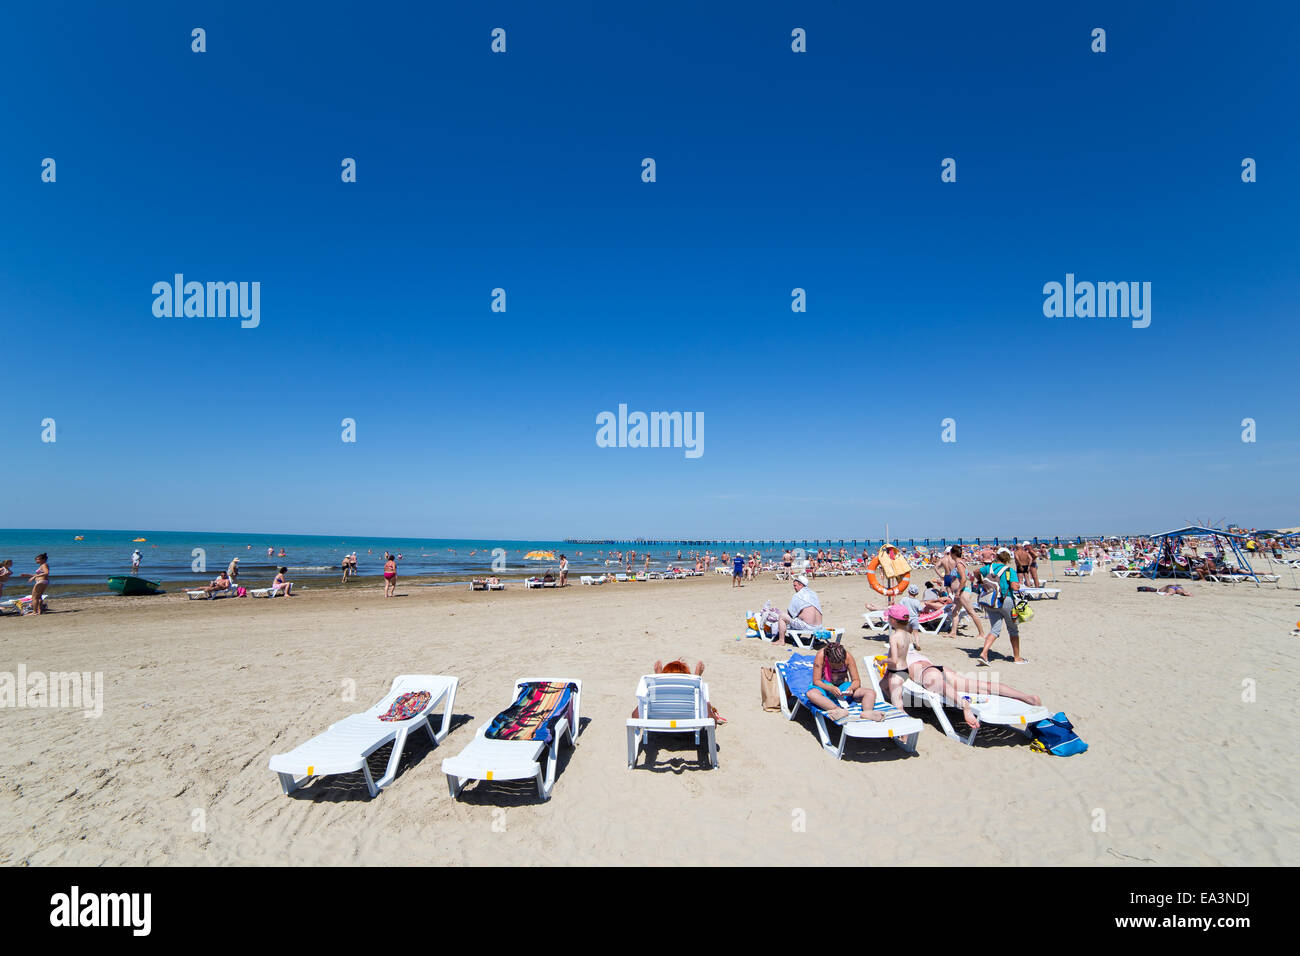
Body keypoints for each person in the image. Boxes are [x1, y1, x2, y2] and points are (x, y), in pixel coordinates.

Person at [901, 640, 1041, 731]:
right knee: (983, 686)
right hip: (939, 668)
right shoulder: (915, 653)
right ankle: (1026, 697)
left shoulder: (900, 657)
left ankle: (964, 706)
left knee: (943, 687)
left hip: (925, 672)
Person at [630, 659, 726, 724]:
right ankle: (696, 681)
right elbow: (712, 722)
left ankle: (658, 680)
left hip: (659, 724)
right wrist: (698, 677)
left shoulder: (655, 698)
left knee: (655, 696)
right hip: (689, 725)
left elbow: (635, 717)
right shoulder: (693, 697)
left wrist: (657, 678)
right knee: (697, 693)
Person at [805, 642, 881, 723]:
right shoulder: (821, 656)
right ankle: (837, 710)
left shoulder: (848, 657)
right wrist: (830, 688)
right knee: (811, 694)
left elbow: (856, 680)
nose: (837, 668)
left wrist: (851, 688)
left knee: (870, 693)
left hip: (843, 688)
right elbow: (816, 681)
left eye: (840, 666)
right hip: (825, 687)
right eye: (833, 666)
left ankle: (867, 712)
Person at [976, 549, 1026, 665]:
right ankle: (1017, 657)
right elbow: (1014, 587)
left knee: (995, 629)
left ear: (997, 556)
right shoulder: (1009, 570)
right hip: (1005, 600)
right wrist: (1017, 585)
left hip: (991, 601)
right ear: (1008, 558)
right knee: (1013, 629)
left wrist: (980, 581)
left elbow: (976, 572)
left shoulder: (989, 568)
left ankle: (984, 653)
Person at [778, 574, 822, 643]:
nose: (794, 588)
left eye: (795, 586)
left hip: (808, 626)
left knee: (782, 616)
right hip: (819, 626)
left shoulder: (798, 595)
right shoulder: (813, 594)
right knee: (799, 617)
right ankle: (808, 638)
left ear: (801, 585)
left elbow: (790, 613)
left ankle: (781, 640)